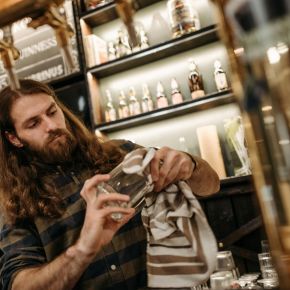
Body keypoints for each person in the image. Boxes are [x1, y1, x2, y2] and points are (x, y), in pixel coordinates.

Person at [0, 79, 219, 290]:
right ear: (14, 138)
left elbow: (211, 185)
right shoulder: (14, 202)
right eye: (33, 123)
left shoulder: (122, 153)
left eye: (51, 112)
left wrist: (190, 165)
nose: (51, 126)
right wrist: (84, 247)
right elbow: (19, 284)